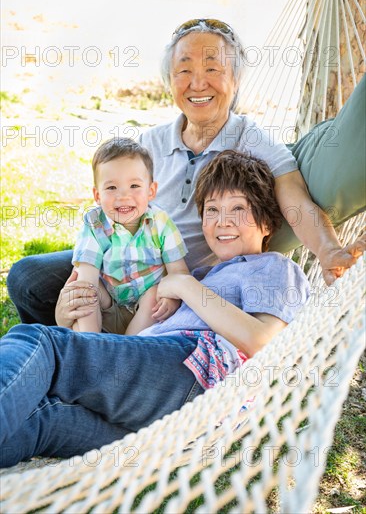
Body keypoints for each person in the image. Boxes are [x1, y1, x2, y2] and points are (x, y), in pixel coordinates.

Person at [6, 18, 365, 327]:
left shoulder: (251, 139)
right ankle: (71, 354)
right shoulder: (150, 142)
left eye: (213, 69)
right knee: (29, 277)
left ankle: (101, 354)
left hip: (189, 279)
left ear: (235, 80)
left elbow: (294, 198)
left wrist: (329, 251)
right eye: (184, 71)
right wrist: (87, 268)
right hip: (124, 265)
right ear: (170, 81)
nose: (198, 83)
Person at [0, 151, 310, 468]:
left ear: (267, 221)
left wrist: (184, 286)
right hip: (164, 419)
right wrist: (67, 320)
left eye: (238, 209)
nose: (222, 222)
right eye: (212, 210)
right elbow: (134, 338)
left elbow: (265, 343)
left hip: (198, 373)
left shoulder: (274, 268)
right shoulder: (206, 274)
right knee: (45, 419)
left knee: (38, 342)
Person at [71, 137, 188, 335]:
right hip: (109, 305)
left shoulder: (160, 223)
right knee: (84, 288)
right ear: (97, 195)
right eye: (111, 188)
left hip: (148, 313)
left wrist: (172, 297)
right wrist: (86, 294)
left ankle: (127, 348)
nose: (123, 196)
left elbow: (179, 272)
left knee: (155, 293)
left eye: (134, 186)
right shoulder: (94, 224)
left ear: (151, 191)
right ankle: (91, 343)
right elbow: (88, 277)